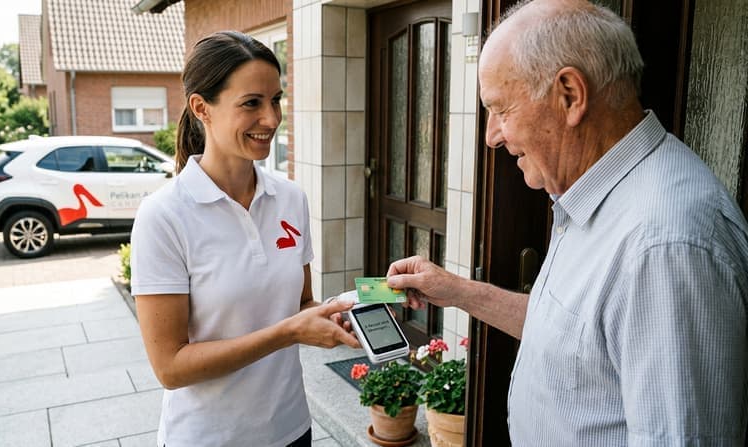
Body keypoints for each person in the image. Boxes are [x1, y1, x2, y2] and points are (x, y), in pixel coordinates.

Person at [386, 0, 748, 445]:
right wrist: (456, 290)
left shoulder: (665, 245)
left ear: (570, 95)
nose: (492, 136)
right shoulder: (597, 195)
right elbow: (574, 337)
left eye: (501, 109)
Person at [130, 31, 359, 447]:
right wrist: (289, 332)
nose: (271, 119)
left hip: (290, 428)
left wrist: (346, 313)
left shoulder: (290, 198)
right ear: (202, 108)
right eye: (252, 103)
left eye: (276, 100)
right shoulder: (164, 215)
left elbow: (300, 306)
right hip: (208, 438)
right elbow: (171, 367)